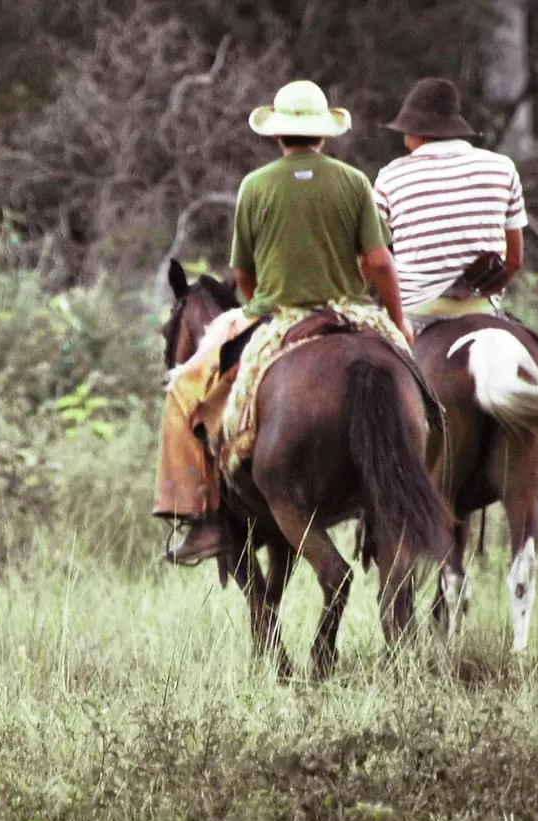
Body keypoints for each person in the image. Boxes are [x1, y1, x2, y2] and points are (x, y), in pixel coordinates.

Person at [154, 80, 414, 566]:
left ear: (277, 135)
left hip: (277, 316)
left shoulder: (255, 186)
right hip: (351, 312)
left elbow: (243, 276)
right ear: (323, 135)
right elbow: (380, 263)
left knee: (183, 390)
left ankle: (199, 515)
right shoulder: (355, 181)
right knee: (422, 398)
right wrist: (399, 325)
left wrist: (263, 307)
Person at [372, 77, 526, 328]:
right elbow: (514, 261)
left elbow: (377, 258)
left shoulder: (390, 177)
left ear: (416, 131)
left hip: (416, 312)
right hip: (481, 308)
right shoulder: (502, 168)